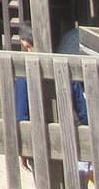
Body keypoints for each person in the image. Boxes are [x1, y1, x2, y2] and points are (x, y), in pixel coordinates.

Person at [15, 22, 93, 186]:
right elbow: (83, 111)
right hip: (72, 138)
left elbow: (21, 116)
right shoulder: (66, 70)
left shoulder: (23, 76)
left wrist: (23, 148)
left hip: (39, 142)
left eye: (28, 46)